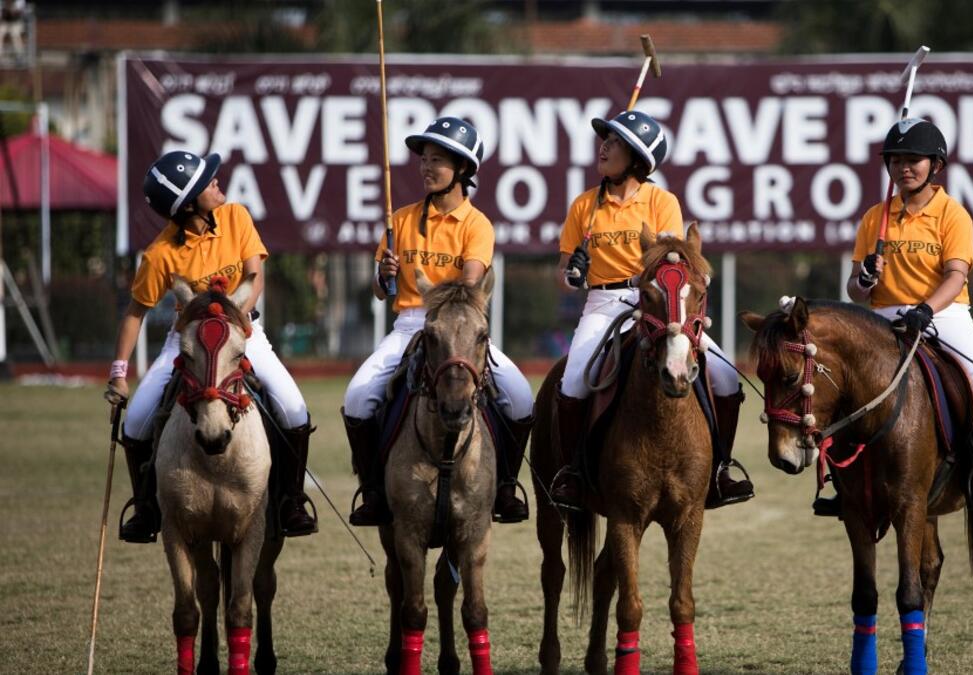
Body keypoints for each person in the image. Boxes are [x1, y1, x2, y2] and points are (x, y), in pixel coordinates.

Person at [104, 150, 317, 542]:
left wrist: (232, 321)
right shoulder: (160, 255)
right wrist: (118, 373)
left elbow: (256, 277)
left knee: (294, 409)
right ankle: (147, 509)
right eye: (206, 183)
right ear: (187, 205)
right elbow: (135, 313)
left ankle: (291, 500)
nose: (216, 182)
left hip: (242, 332)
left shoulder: (236, 217)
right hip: (186, 340)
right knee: (135, 422)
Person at [550, 110, 753, 511]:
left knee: (728, 378)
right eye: (604, 139)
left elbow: (672, 261)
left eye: (614, 142)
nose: (603, 147)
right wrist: (573, 274)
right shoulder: (583, 206)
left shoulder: (661, 202)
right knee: (572, 382)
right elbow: (562, 275)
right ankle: (573, 474)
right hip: (603, 303)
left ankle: (721, 470)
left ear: (638, 158)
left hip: (657, 300)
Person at [342, 116, 534, 526]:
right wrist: (384, 276)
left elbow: (470, 284)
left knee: (520, 399)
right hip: (411, 324)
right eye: (424, 160)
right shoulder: (402, 220)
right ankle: (375, 491)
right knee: (358, 398)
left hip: (460, 327)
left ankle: (504, 488)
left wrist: (441, 302)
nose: (426, 168)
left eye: (438, 161)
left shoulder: (476, 224)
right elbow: (379, 291)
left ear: (462, 169)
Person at [841, 117, 973, 511]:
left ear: (936, 164)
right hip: (883, 314)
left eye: (914, 159)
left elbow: (956, 276)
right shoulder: (874, 217)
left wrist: (926, 309)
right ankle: (841, 480)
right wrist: (863, 279)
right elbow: (854, 290)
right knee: (843, 383)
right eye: (896, 160)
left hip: (943, 312)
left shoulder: (953, 214)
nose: (904, 167)